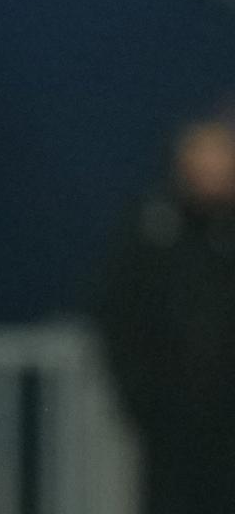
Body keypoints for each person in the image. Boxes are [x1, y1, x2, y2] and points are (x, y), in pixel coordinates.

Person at [94, 118, 235, 514]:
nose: (213, 171)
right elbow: (118, 314)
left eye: (222, 159)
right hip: (171, 421)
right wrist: (139, 397)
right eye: (203, 159)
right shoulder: (151, 231)